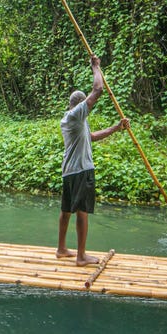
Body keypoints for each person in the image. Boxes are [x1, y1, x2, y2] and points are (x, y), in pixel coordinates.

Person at [57, 55, 130, 266]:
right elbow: (98, 89)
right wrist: (95, 67)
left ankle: (62, 249)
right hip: (81, 170)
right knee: (82, 211)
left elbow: (92, 137)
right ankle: (81, 256)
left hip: (70, 171)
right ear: (80, 105)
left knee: (66, 209)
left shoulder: (72, 119)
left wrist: (117, 127)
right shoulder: (76, 115)